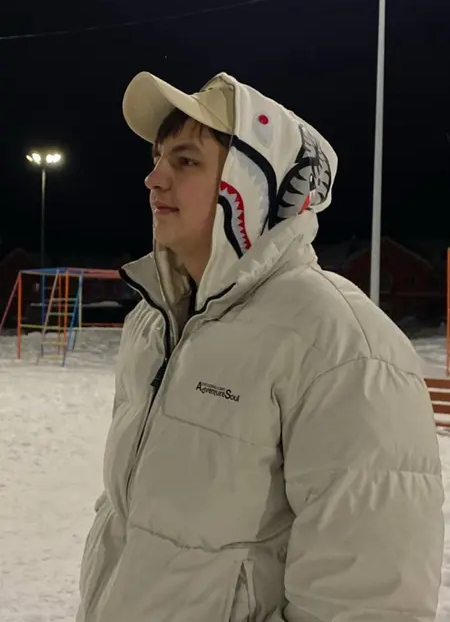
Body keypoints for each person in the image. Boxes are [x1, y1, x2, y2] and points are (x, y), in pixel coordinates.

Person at [77, 71, 444, 622]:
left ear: (253, 184)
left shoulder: (343, 344)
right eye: (157, 158)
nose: (153, 179)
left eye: (185, 161)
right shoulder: (154, 323)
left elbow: (366, 600)